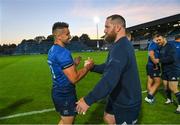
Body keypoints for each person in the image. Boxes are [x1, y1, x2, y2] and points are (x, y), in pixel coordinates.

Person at [76, 14, 142, 124]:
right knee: (108, 117)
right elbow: (109, 67)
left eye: (107, 27)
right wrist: (93, 67)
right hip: (117, 97)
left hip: (127, 102)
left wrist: (88, 100)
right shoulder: (117, 45)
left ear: (117, 28)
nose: (104, 30)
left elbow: (109, 79)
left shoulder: (121, 47)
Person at [47, 22, 94, 124]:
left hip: (57, 91)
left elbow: (60, 70)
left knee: (64, 121)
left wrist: (74, 64)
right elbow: (74, 78)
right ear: (59, 36)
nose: (70, 36)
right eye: (67, 34)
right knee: (68, 122)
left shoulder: (52, 50)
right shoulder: (63, 53)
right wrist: (87, 67)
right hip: (65, 94)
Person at [154, 33, 180, 113]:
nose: (158, 41)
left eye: (159, 39)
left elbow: (172, 58)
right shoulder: (161, 47)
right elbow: (161, 57)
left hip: (173, 69)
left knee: (173, 88)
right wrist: (158, 65)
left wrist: (160, 61)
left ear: (164, 38)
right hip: (165, 70)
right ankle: (169, 99)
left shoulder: (170, 46)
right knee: (166, 86)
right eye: (157, 40)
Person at [144, 37, 161, 104]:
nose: (159, 41)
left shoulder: (152, 44)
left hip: (149, 65)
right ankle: (149, 97)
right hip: (153, 65)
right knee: (158, 81)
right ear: (156, 38)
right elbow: (151, 55)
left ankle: (150, 96)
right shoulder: (153, 44)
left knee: (150, 80)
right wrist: (156, 64)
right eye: (158, 39)